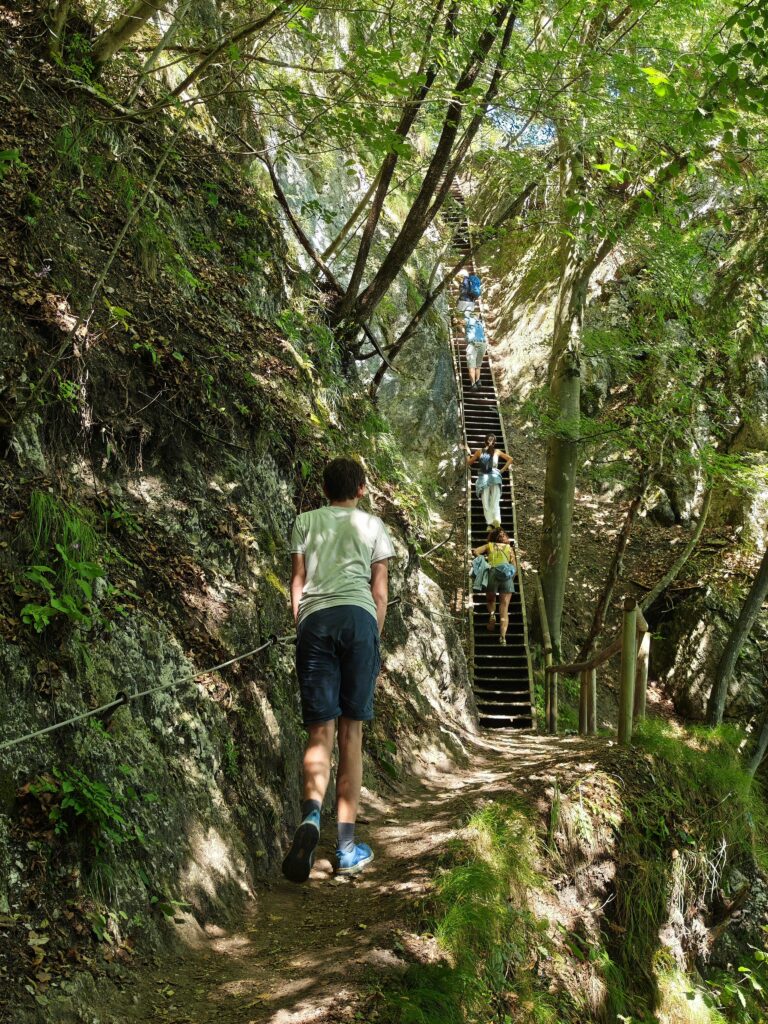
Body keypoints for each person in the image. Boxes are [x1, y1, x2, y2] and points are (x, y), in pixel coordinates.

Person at [283, 457, 395, 883]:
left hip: (316, 621)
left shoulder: (305, 521)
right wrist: (372, 636)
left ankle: (311, 819)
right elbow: (379, 593)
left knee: (320, 731)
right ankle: (346, 848)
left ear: (324, 489)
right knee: (351, 733)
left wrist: (303, 624)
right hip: (359, 621)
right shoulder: (373, 525)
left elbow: (297, 581)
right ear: (361, 489)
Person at [472, 527, 517, 645]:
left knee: (491, 600)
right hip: (506, 576)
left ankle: (492, 615)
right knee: (504, 608)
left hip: (492, 573)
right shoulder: (509, 548)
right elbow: (514, 567)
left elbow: (475, 551)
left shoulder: (489, 545)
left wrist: (483, 561)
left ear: (491, 537)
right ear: (505, 538)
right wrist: (511, 579)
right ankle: (503, 637)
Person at [466, 434, 512, 528]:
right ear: (495, 443)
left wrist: (467, 455)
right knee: (495, 501)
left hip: (484, 479)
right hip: (495, 477)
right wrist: (502, 470)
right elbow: (510, 459)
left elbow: (468, 463)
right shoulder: (497, 451)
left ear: (484, 442)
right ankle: (497, 520)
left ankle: (490, 523)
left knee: (485, 502)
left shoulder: (479, 452)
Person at [465, 314, 486, 389]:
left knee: (471, 366)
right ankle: (478, 381)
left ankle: (473, 384)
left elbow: (458, 323)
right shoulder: (480, 323)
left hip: (473, 344)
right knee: (478, 365)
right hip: (482, 344)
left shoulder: (467, 320)